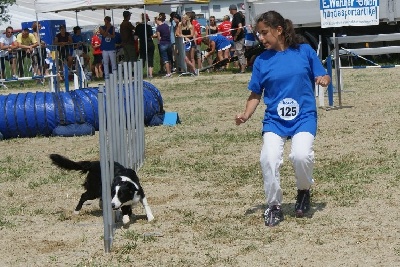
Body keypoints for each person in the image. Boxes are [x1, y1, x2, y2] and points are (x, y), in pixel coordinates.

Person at [235, 10, 331, 227]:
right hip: (274, 120)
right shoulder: (261, 61)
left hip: (304, 116)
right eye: (259, 33)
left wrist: (324, 79)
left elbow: (322, 74)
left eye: (264, 33)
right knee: (268, 159)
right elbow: (255, 93)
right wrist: (246, 115)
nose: (260, 38)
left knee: (301, 155)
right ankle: (274, 206)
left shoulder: (304, 51)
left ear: (279, 30)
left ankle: (304, 191)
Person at [134, 13, 155, 78]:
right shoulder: (148, 27)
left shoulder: (138, 27)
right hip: (150, 43)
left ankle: (139, 74)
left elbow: (135, 38)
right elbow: (151, 36)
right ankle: (150, 74)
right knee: (150, 59)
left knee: (142, 59)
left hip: (142, 43)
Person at [229, 4, 246, 73]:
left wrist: (236, 35)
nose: (229, 11)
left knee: (240, 53)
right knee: (239, 53)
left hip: (239, 38)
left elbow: (240, 27)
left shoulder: (237, 16)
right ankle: (241, 68)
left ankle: (243, 69)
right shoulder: (238, 15)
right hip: (240, 37)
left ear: (231, 9)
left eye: (229, 10)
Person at [155, 13, 172, 78]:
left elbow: (159, 38)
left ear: (158, 20)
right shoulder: (166, 26)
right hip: (168, 43)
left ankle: (168, 73)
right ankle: (170, 71)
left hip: (162, 44)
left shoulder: (158, 28)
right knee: (169, 58)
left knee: (165, 59)